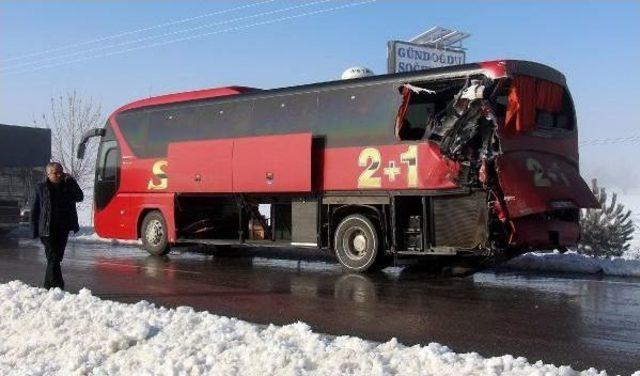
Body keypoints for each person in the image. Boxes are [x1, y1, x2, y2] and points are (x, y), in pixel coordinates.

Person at [30, 162, 83, 290]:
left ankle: (53, 285)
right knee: (53, 257)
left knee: (56, 258)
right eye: (55, 172)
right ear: (48, 174)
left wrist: (72, 181)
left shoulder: (67, 186)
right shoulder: (40, 188)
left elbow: (79, 197)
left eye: (61, 171)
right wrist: (34, 230)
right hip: (47, 229)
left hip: (63, 228)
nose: (59, 174)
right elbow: (35, 209)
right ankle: (53, 286)